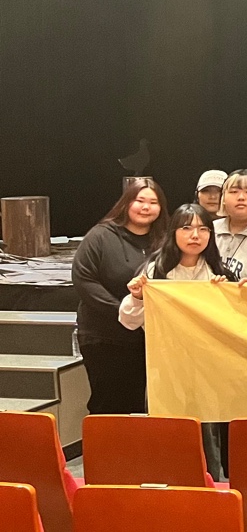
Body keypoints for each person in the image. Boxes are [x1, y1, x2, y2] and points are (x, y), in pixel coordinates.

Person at [119, 203, 231, 481]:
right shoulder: (156, 272)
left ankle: (210, 492)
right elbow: (128, 321)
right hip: (165, 369)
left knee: (207, 438)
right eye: (187, 228)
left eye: (203, 229)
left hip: (207, 371)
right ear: (173, 233)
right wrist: (137, 297)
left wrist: (228, 294)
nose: (195, 235)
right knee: (165, 433)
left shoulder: (219, 273)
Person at [71, 177, 169, 415]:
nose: (146, 207)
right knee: (109, 405)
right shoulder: (100, 236)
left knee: (143, 406)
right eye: (140, 200)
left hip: (149, 340)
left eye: (153, 202)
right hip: (104, 337)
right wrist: (125, 312)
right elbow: (84, 280)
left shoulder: (165, 241)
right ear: (126, 203)